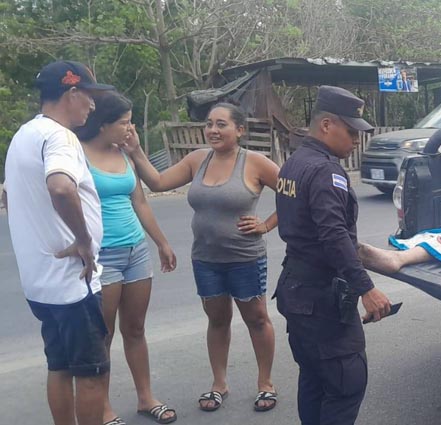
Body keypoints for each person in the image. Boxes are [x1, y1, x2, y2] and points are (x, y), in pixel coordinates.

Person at [121, 102, 281, 413]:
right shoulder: (197, 159)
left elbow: (295, 194)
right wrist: (136, 151)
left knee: (257, 319)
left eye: (221, 124)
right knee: (217, 320)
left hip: (245, 258)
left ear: (240, 130)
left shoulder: (255, 162)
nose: (213, 130)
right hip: (206, 259)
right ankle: (219, 384)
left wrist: (266, 225)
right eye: (209, 124)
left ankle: (266, 383)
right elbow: (158, 183)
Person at [274, 85, 393, 425]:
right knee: (345, 382)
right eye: (351, 130)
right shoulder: (326, 171)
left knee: (314, 378)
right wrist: (366, 288)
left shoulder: (294, 163)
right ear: (326, 125)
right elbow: (333, 234)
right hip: (321, 298)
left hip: (296, 291)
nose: (356, 139)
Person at [4, 60, 115, 425]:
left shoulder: (24, 135)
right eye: (89, 96)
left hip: (41, 283)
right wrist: (84, 240)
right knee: (92, 372)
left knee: (60, 366)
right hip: (72, 283)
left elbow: (11, 195)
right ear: (72, 92)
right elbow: (61, 187)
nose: (93, 105)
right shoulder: (59, 137)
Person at [75, 91, 178, 425]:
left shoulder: (124, 153)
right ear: (103, 124)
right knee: (103, 335)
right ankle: (103, 407)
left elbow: (140, 202)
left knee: (135, 328)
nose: (130, 128)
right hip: (102, 256)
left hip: (135, 251)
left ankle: (146, 398)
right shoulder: (77, 154)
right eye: (124, 123)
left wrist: (161, 242)